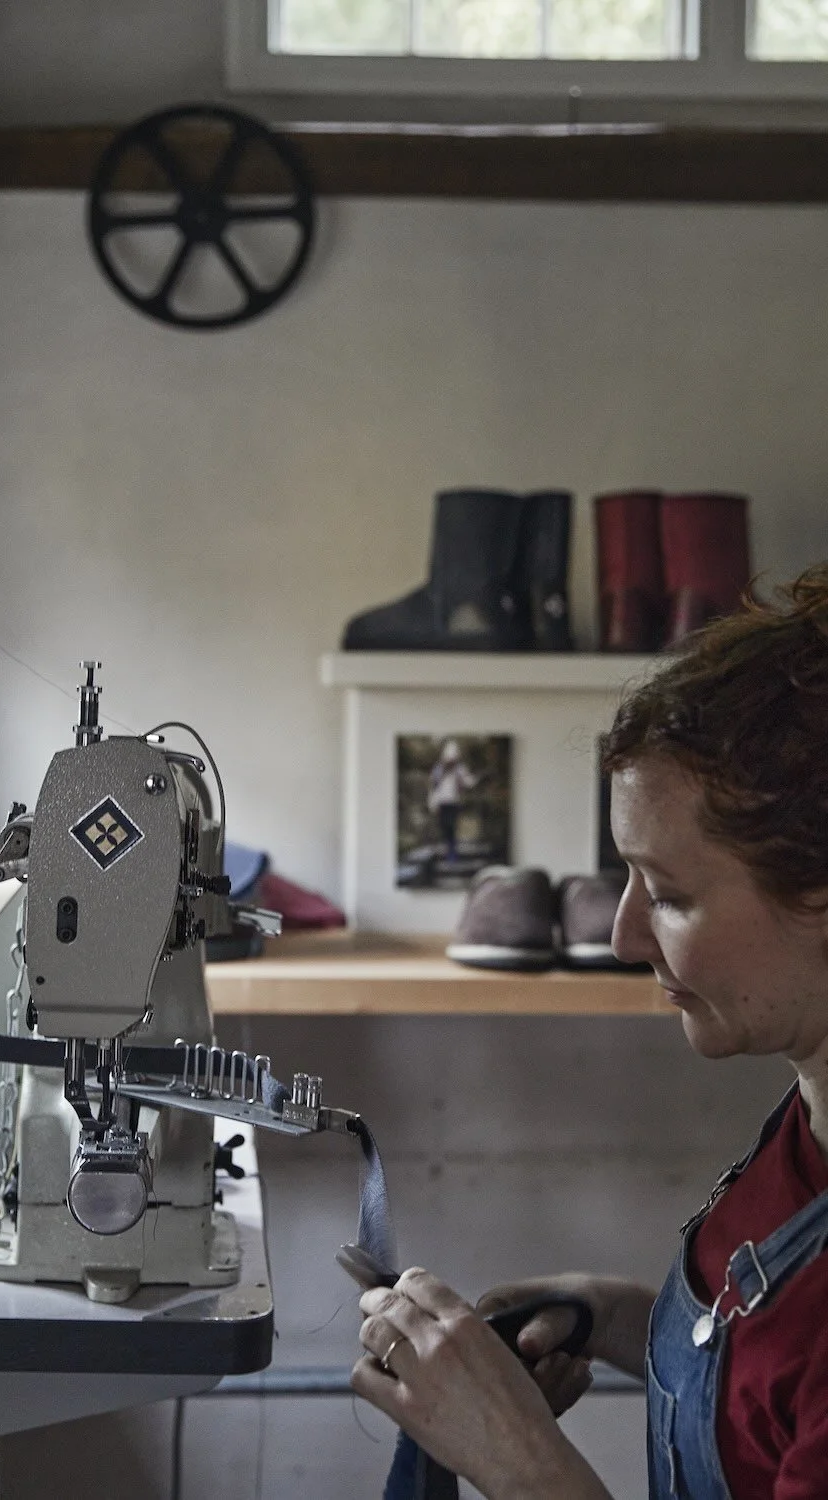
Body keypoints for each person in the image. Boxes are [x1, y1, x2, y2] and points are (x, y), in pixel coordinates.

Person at [352, 563, 828, 1499]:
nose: (620, 936)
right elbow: (778, 1388)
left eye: (673, 895)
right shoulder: (808, 1116)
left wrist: (514, 1456)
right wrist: (613, 1318)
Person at [427, 739, 479, 859]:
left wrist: (474, 780)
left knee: (452, 826)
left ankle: (452, 851)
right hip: (442, 803)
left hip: (454, 802)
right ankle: (448, 849)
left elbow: (467, 782)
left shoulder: (460, 769)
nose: (450, 762)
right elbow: (434, 787)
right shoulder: (438, 769)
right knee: (445, 827)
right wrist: (432, 803)